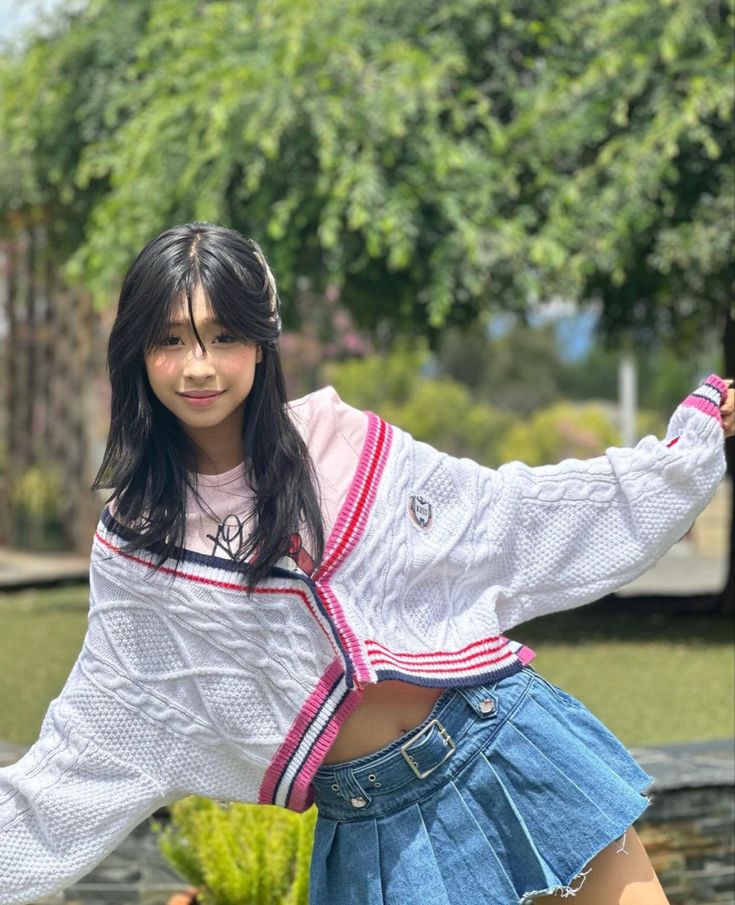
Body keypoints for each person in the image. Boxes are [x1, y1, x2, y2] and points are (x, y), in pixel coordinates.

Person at [0, 221, 732, 905]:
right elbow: (95, 734)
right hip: (374, 829)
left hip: (503, 742)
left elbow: (509, 513)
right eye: (170, 339)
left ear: (262, 342)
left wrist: (686, 451)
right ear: (138, 352)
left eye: (223, 335)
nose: (199, 366)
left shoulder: (339, 441)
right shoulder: (137, 541)